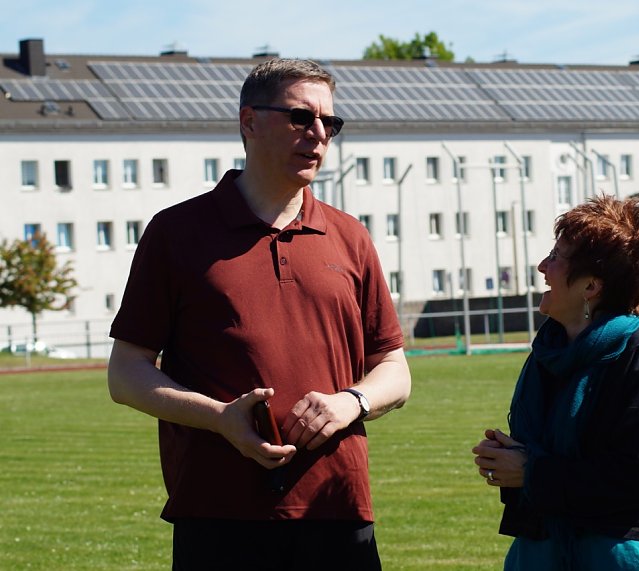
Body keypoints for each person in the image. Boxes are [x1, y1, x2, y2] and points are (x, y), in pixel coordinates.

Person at [107, 58, 411, 570]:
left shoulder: (350, 235)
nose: (318, 134)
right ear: (249, 121)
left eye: (329, 123)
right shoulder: (177, 233)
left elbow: (395, 370)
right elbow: (126, 374)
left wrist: (351, 402)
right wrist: (220, 418)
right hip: (218, 513)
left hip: (336, 508)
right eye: (299, 117)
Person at [472, 195, 639, 570]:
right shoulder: (547, 353)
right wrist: (508, 460)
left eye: (557, 257)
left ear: (591, 286)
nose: (542, 266)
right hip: (542, 550)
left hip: (622, 556)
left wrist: (532, 472)